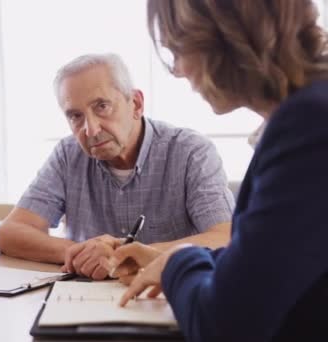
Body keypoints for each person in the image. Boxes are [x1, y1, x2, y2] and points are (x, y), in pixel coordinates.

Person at [106, 0, 328, 340]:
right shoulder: (310, 111)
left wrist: (178, 262)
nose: (178, 70)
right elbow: (279, 260)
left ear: (221, 36)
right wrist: (178, 259)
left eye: (176, 51)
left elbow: (223, 327)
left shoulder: (308, 126)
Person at [0, 53, 234, 280]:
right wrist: (80, 252)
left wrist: (131, 255)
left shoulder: (190, 151)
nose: (91, 129)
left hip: (165, 297)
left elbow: (225, 237)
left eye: (102, 106)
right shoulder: (68, 154)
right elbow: (10, 233)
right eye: (75, 116)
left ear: (137, 104)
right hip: (81, 300)